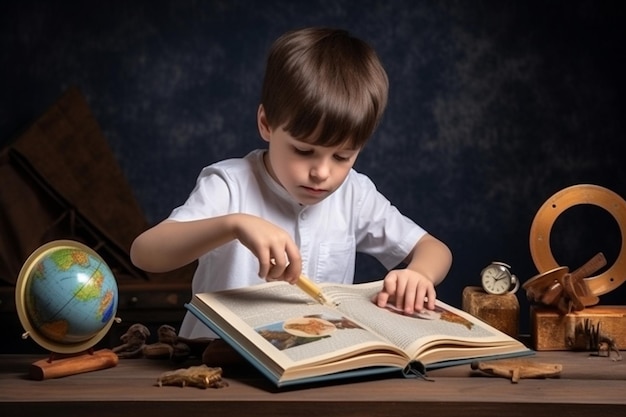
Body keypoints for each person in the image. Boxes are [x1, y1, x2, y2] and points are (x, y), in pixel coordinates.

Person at [130, 27, 452, 339]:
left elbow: (434, 249)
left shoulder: (354, 194)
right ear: (266, 124)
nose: (322, 173)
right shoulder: (229, 185)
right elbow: (145, 254)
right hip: (216, 365)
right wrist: (233, 225)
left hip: (310, 368)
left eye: (342, 157)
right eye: (303, 150)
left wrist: (419, 274)